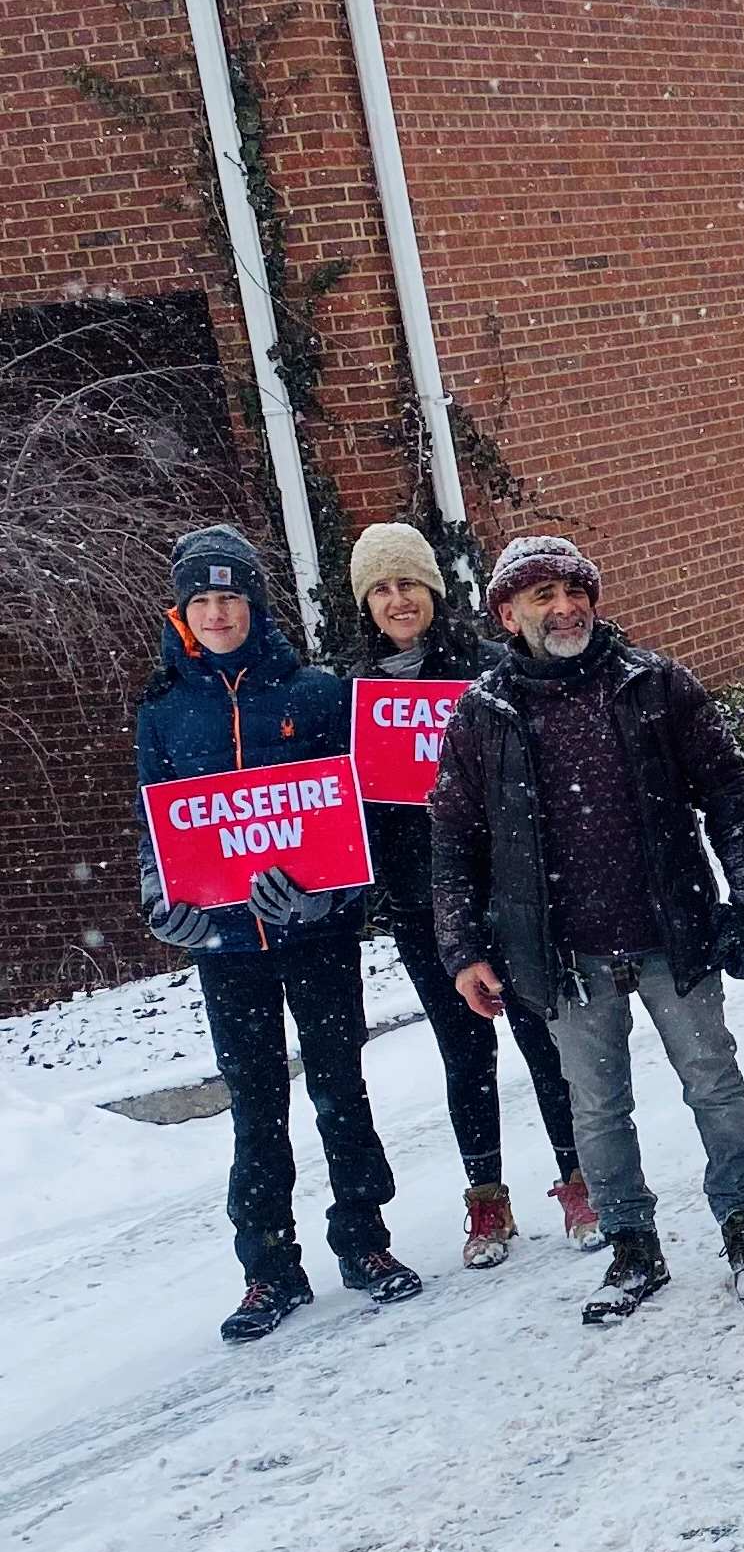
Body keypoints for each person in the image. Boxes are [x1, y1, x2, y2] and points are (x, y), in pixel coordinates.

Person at [431, 535, 744, 1323]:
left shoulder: (654, 685)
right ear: (507, 614)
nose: (565, 608)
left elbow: (728, 792)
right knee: (594, 1107)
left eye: (575, 590)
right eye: (542, 595)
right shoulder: (483, 715)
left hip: (674, 933)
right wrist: (462, 949)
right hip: (564, 954)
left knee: (714, 1083)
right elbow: (454, 837)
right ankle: (633, 1244)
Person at [136, 525, 423, 1341]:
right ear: (183, 613)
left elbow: (356, 825)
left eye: (231, 597)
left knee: (341, 1091)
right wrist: (163, 899)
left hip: (315, 939)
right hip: (226, 950)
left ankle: (365, 1243)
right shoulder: (164, 711)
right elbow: (153, 828)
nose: (219, 612)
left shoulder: (315, 695)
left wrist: (327, 901)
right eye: (203, 600)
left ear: (255, 607)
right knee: (255, 1109)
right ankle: (268, 1270)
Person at [345, 522, 594, 1266]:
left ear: (433, 591)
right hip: (423, 905)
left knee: (543, 1041)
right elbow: (342, 805)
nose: (398, 601)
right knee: (465, 1052)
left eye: (409, 585)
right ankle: (487, 1199)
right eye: (382, 589)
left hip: (510, 893)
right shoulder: (353, 694)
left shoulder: (488, 672)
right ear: (366, 602)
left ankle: (579, 1180)